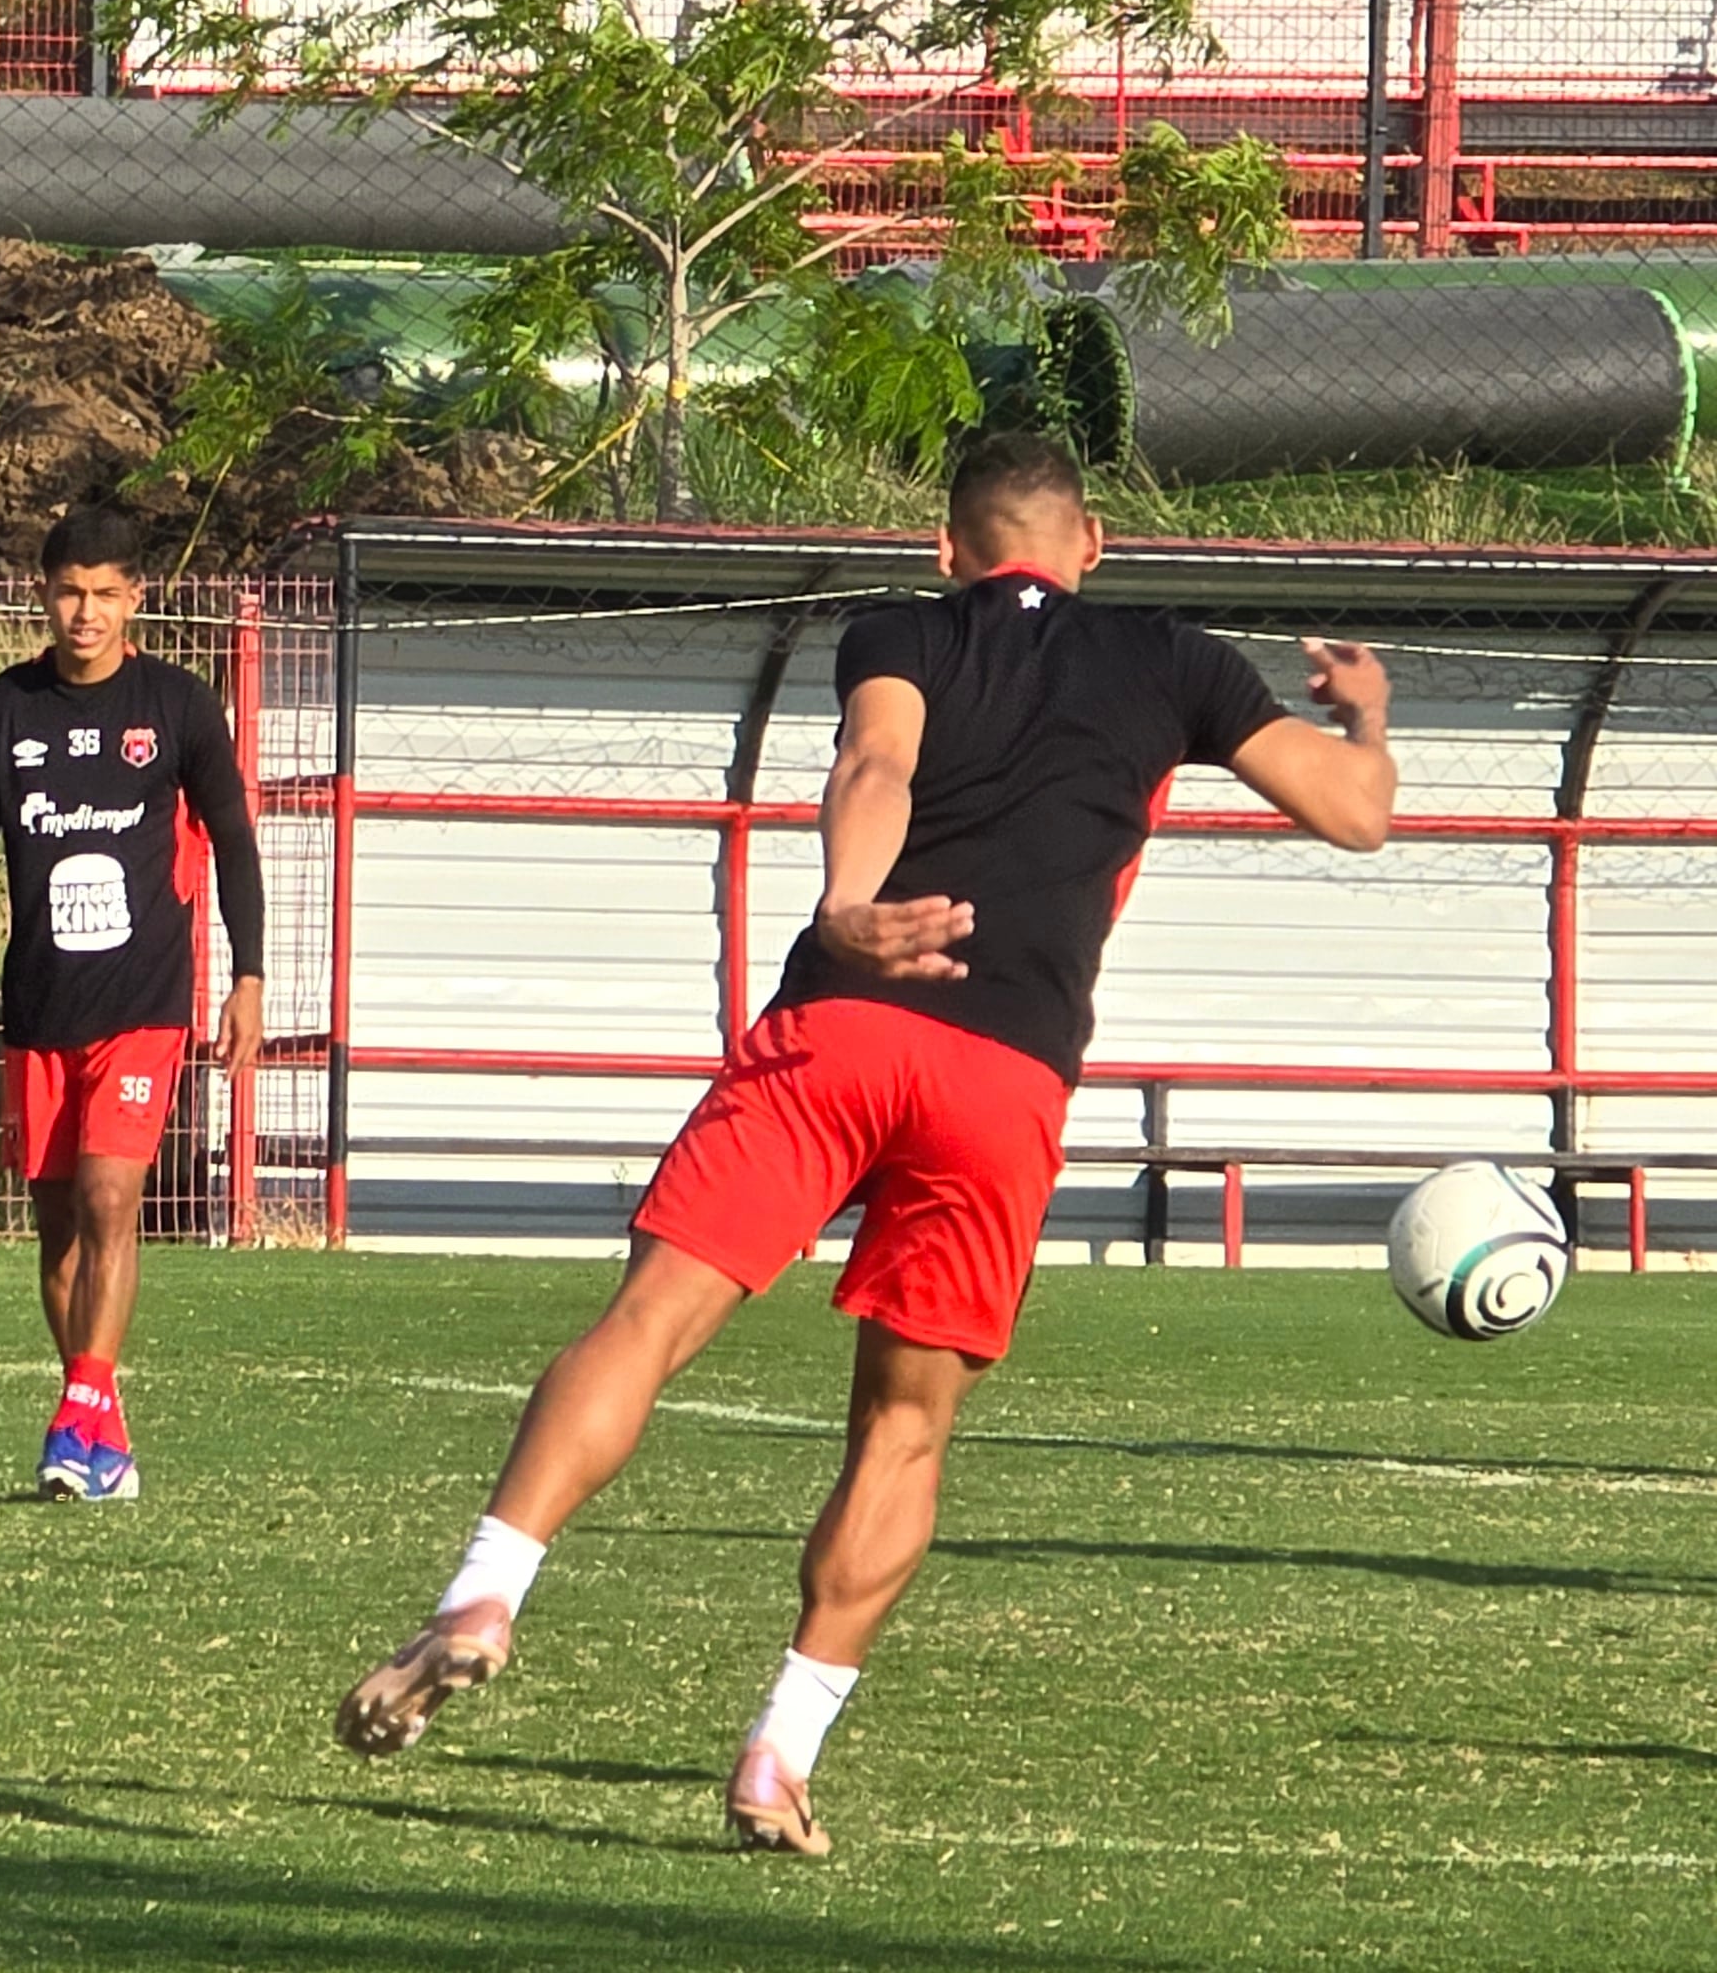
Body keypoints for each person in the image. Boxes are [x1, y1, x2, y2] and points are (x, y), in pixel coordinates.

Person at [332, 431, 1396, 1852]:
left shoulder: (894, 629)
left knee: (648, 1320)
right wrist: (1366, 714)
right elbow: (1358, 814)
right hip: (1008, 1073)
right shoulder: (1180, 661)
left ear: (949, 553)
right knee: (904, 1427)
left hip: (844, 1020)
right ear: (1091, 548)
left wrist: (850, 909)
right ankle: (780, 1750)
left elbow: (878, 763)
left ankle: (488, 1588)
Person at [0, 503, 266, 1501]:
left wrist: (247, 975)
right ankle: (100, 1437)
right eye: (69, 591)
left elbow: (235, 840)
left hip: (144, 1001)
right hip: (37, 1006)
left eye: (105, 594)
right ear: (43, 593)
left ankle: (77, 1413)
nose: (86, 612)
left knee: (112, 1197)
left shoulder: (178, 707)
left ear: (135, 599)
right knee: (58, 1225)